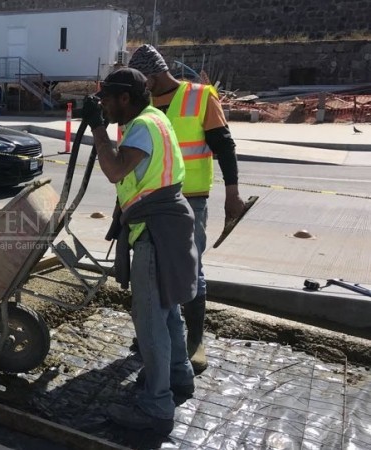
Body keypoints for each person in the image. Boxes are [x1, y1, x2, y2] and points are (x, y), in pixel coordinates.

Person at [83, 68, 197, 433]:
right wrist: (104, 126)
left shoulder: (143, 127)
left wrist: (97, 129)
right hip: (168, 224)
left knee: (149, 320)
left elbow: (115, 171)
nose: (103, 105)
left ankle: (157, 407)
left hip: (156, 230)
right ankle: (179, 376)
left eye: (106, 100)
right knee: (168, 311)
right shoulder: (155, 118)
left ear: (125, 99)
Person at [128, 44, 245, 373]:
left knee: (189, 271)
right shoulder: (141, 102)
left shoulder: (199, 97)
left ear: (153, 76)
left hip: (189, 199)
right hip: (146, 203)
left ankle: (195, 341)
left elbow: (224, 145)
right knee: (152, 269)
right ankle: (157, 332)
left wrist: (232, 193)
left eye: (142, 80)